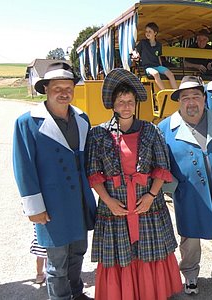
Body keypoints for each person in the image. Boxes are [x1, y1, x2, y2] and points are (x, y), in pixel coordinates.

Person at [86, 68, 182, 300]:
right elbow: (94, 173)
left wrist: (150, 196)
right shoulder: (98, 134)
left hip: (147, 205)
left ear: (136, 103)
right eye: (121, 102)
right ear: (113, 104)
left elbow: (161, 168)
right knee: (120, 254)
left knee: (149, 251)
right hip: (115, 208)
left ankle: (152, 292)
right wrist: (109, 202)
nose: (126, 106)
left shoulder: (151, 130)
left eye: (130, 101)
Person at [13, 62, 96, 300]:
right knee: (56, 260)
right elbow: (24, 168)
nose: (63, 92)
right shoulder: (27, 122)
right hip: (51, 203)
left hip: (79, 200)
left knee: (78, 252)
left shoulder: (82, 118)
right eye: (57, 87)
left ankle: (77, 293)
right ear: (46, 89)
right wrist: (34, 208)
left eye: (68, 87)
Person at [158, 76, 212, 295]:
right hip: (189, 192)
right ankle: (190, 273)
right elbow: (158, 164)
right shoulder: (164, 128)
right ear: (179, 101)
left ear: (204, 98)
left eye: (196, 96)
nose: (191, 102)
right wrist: (174, 187)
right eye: (185, 98)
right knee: (190, 237)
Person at [132, 22, 178, 90]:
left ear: (155, 33)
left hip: (157, 66)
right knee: (156, 73)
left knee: (170, 74)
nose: (147, 33)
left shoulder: (159, 45)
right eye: (146, 31)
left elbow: (158, 56)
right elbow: (135, 51)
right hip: (147, 67)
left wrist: (162, 67)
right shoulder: (143, 43)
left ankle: (176, 91)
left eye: (149, 31)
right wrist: (135, 54)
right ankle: (164, 91)